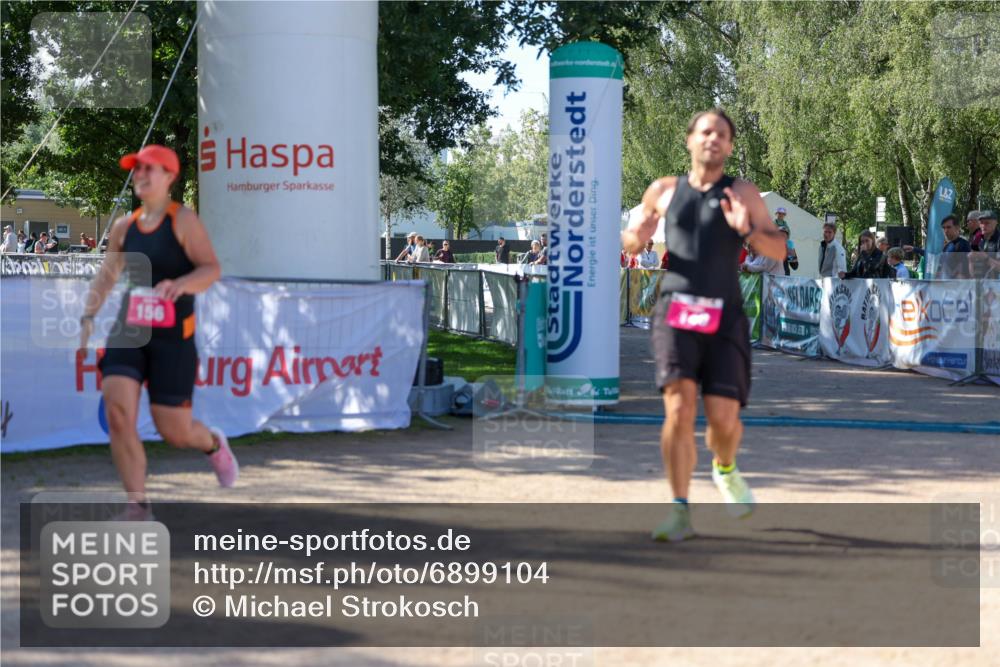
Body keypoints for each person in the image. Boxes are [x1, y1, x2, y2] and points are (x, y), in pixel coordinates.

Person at [621, 108, 785, 542]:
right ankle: (679, 509)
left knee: (724, 421)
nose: (713, 138)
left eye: (722, 134)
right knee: (678, 408)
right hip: (676, 311)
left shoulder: (742, 193)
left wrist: (747, 230)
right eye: (706, 131)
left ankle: (724, 467)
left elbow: (779, 250)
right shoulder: (663, 190)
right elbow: (631, 243)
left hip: (725, 315)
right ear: (690, 140)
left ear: (729, 146)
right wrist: (638, 234)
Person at [78, 144, 238, 520]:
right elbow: (107, 276)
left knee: (175, 432)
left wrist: (181, 284)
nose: (140, 175)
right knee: (118, 415)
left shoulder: (182, 220)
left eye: (149, 168)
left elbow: (211, 269)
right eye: (136, 169)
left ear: (169, 176)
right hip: (129, 331)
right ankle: (137, 507)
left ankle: (213, 444)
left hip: (173, 338)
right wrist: (88, 317)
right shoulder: (125, 227)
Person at [938, 214, 972, 278]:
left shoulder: (963, 245)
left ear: (957, 228)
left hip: (956, 283)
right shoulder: (946, 246)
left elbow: (964, 271)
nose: (945, 231)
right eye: (944, 228)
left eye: (948, 227)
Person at [970, 210, 1000, 279]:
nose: (983, 226)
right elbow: (972, 272)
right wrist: (970, 261)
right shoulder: (978, 239)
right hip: (980, 281)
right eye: (981, 223)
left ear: (995, 223)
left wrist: (985, 258)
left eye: (987, 223)